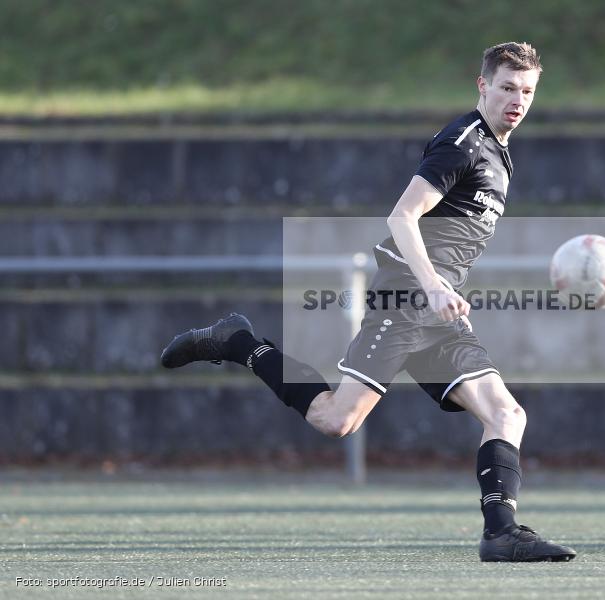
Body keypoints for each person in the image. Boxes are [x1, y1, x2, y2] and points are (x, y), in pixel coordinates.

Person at [161, 42, 576, 562]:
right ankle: (240, 342)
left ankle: (501, 533)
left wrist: (442, 290)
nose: (517, 99)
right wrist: (432, 285)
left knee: (506, 413)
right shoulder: (464, 142)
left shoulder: (500, 152)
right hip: (407, 299)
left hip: (440, 311)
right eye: (507, 87)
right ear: (483, 86)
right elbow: (401, 217)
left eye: (528, 91)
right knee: (336, 420)